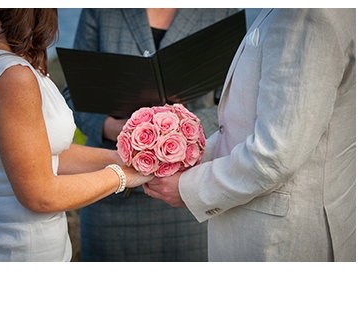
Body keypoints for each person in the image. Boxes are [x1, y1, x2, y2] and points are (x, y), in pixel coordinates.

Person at [144, 8, 355, 261]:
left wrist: (189, 188)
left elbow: (276, 154)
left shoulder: (305, 14)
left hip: (280, 240)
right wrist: (184, 153)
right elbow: (248, 124)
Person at [61, 8, 239, 261]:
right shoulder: (101, 10)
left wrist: (183, 131)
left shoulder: (221, 10)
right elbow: (74, 94)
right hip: (111, 192)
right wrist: (115, 128)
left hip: (186, 194)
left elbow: (234, 103)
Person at [0, 8, 152, 262]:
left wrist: (121, 157)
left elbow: (43, 154)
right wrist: (126, 176)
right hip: (25, 250)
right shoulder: (13, 76)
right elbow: (41, 195)